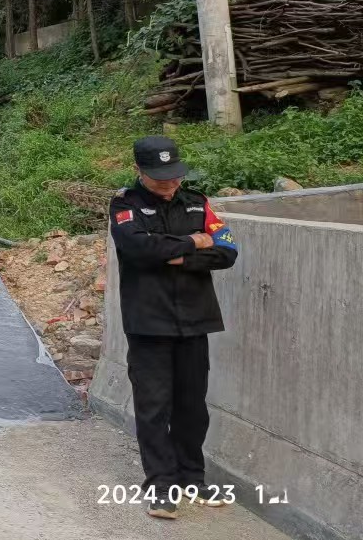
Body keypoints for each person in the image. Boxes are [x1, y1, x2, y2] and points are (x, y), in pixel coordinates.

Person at [109, 136, 238, 521]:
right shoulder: (125, 205)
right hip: (149, 323)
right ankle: (161, 486)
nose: (170, 184)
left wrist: (180, 256)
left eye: (175, 176)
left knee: (192, 407)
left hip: (195, 320)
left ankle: (192, 479)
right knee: (153, 408)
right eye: (160, 177)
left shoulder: (198, 203)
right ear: (138, 171)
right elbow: (138, 249)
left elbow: (227, 251)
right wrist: (193, 241)